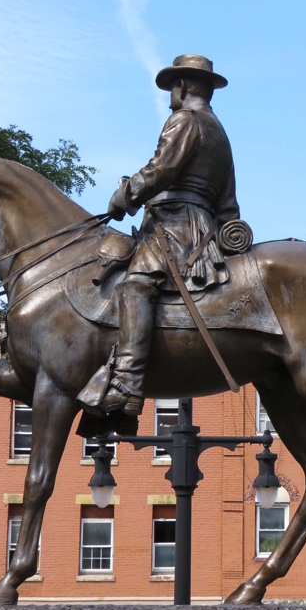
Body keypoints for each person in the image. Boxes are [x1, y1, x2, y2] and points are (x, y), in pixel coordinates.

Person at [91, 54, 239, 415]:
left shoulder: (185, 120)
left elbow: (163, 169)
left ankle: (127, 382)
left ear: (186, 86)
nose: (169, 94)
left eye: (174, 85)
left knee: (134, 286)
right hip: (201, 227)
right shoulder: (219, 131)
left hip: (175, 224)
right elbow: (228, 202)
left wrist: (124, 195)